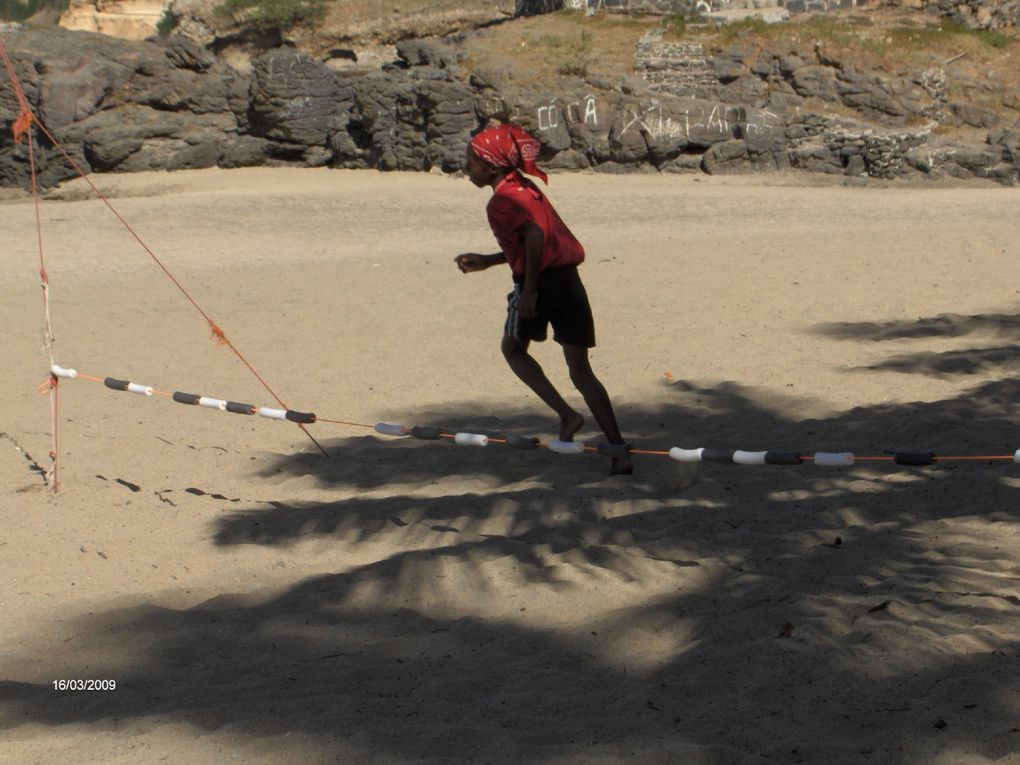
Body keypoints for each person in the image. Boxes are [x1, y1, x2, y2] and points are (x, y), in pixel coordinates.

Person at [454, 123, 633, 476]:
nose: (466, 167)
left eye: (471, 162)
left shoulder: (500, 201)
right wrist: (489, 260)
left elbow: (534, 238)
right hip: (568, 280)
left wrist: (530, 292)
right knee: (581, 372)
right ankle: (619, 451)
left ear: (492, 167)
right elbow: (534, 240)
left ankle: (567, 414)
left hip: (539, 284)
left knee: (513, 351)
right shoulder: (525, 187)